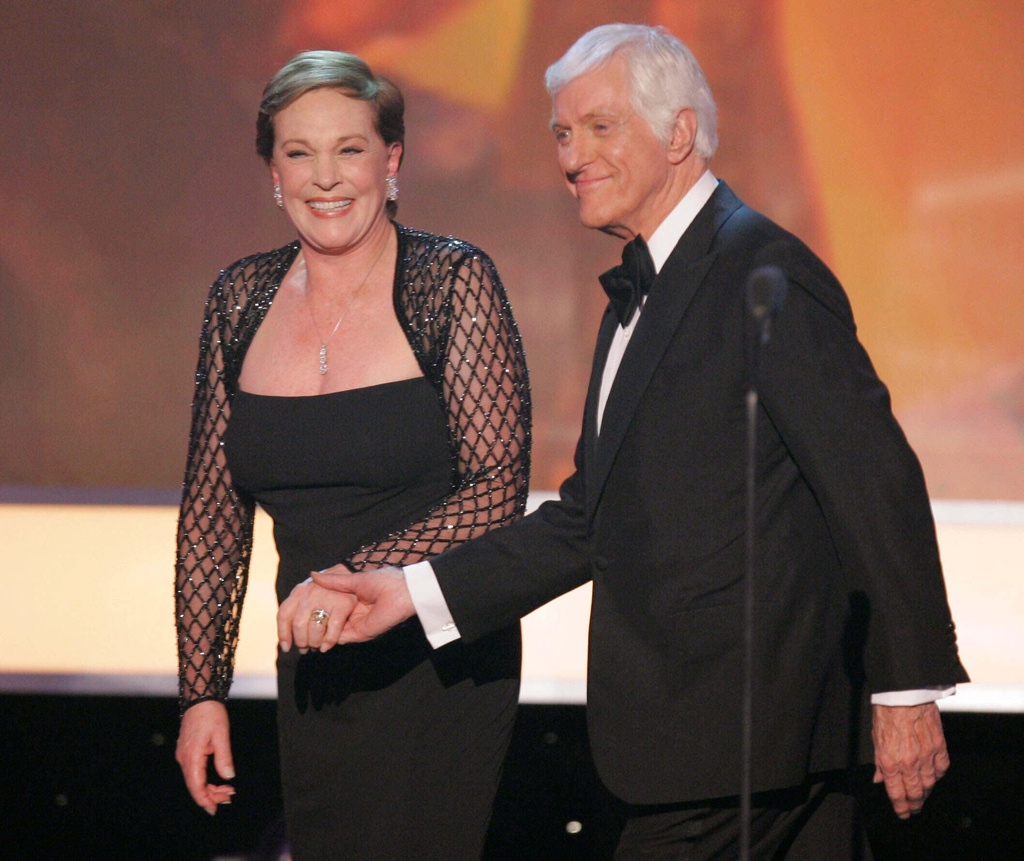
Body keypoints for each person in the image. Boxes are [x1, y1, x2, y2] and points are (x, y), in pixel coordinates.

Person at [298, 24, 970, 860]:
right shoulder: (638, 295)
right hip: (702, 752)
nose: (572, 155)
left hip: (749, 747)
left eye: (600, 128)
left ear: (679, 133)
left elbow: (877, 482)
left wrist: (907, 688)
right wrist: (412, 592)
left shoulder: (763, 271)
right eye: (562, 133)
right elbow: (590, 516)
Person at [174, 50, 531, 861]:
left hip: (434, 666)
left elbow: (496, 487)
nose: (325, 177)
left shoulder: (452, 280)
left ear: (392, 161)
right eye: (299, 152)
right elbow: (211, 513)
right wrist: (202, 693)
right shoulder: (239, 298)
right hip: (315, 669)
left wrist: (347, 582)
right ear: (272, 170)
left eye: (350, 149)